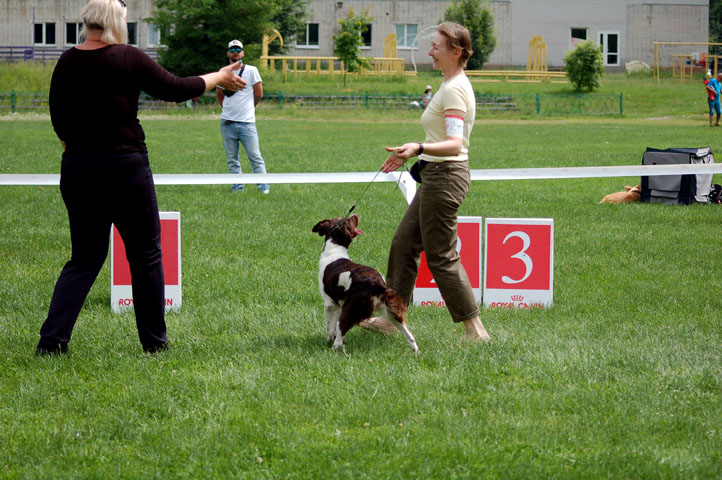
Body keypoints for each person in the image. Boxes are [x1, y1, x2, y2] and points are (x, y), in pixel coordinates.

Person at [37, 0, 245, 355]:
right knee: (146, 255)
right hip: (125, 169)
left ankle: (51, 342)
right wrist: (219, 77)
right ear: (115, 21)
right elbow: (177, 88)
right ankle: (153, 344)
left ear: (88, 23)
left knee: (84, 259)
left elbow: (59, 121)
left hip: (78, 169)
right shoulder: (127, 57)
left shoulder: (66, 61)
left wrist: (82, 153)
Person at [367, 22, 490, 342]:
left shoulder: (454, 89)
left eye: (437, 46)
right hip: (436, 175)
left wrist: (417, 148)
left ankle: (475, 330)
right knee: (404, 244)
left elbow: (453, 143)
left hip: (446, 178)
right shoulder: (450, 84)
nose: (430, 51)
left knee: (441, 255)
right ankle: (393, 318)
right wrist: (414, 154)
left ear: (457, 52)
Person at [216, 40, 270, 193]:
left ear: (243, 53)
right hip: (227, 123)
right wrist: (227, 109)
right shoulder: (223, 72)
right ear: (228, 53)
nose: (235, 52)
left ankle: (263, 187)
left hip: (247, 123)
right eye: (232, 49)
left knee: (255, 156)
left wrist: (247, 109)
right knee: (232, 159)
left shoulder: (252, 70)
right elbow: (220, 94)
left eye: (238, 49)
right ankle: (237, 187)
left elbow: (258, 93)